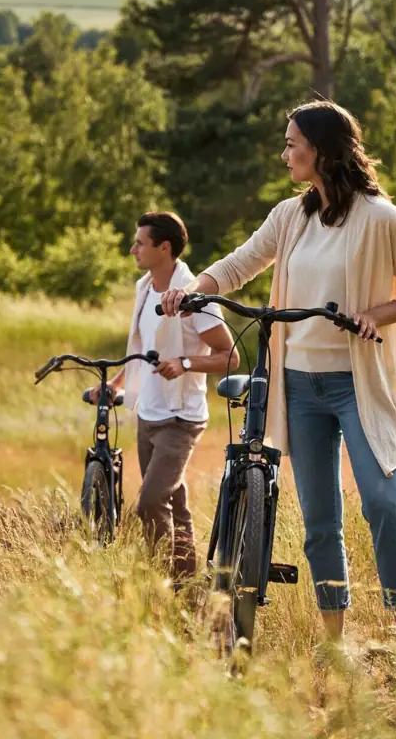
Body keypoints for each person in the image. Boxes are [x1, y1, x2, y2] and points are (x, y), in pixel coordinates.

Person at [160, 100, 396, 642]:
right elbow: (240, 263)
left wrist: (375, 314)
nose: (284, 153)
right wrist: (191, 291)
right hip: (299, 384)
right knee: (319, 523)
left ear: (322, 149)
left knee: (383, 503)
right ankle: (335, 642)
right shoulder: (291, 215)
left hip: (357, 385)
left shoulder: (381, 218)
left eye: (292, 144)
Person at [92, 211, 239, 584]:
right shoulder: (145, 287)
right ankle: (189, 591)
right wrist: (119, 385)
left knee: (150, 501)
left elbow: (229, 356)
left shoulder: (194, 296)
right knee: (174, 503)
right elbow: (144, 348)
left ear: (165, 247)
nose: (132, 249)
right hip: (149, 415)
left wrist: (186, 362)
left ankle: (164, 580)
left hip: (180, 418)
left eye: (140, 243)